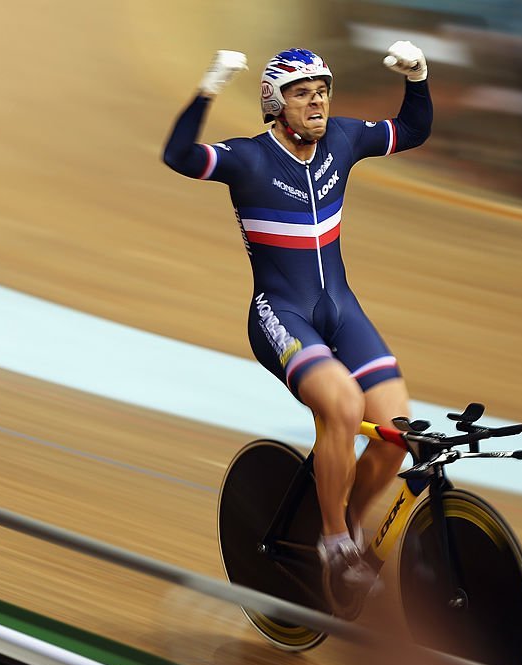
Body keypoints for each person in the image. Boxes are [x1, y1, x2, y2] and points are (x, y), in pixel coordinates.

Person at [162, 42, 432, 609]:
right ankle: (333, 545)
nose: (317, 103)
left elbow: (412, 129)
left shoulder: (344, 140)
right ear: (275, 104)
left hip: (341, 310)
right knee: (343, 406)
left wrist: (418, 78)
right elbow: (179, 155)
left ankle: (348, 529)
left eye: (322, 92)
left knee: (396, 430)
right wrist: (209, 88)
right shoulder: (249, 158)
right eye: (302, 94)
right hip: (280, 313)